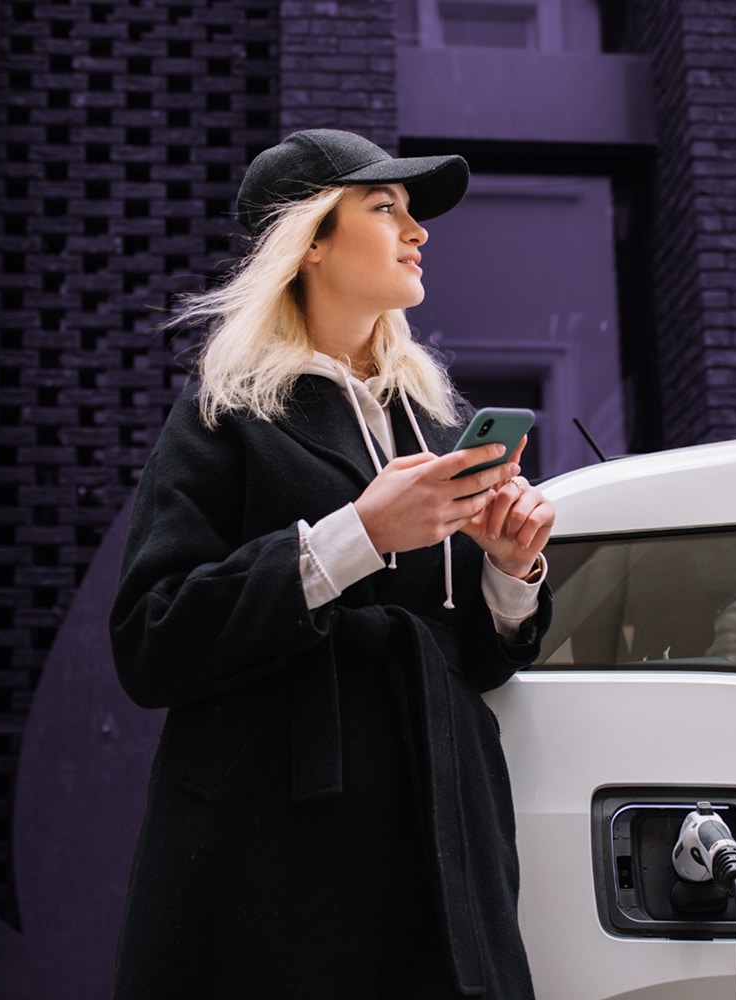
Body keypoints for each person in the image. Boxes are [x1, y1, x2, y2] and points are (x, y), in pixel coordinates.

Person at [108, 128, 555, 1000]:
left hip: (440, 831)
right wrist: (357, 535)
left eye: (413, 214)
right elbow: (150, 637)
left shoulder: (429, 425)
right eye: (386, 208)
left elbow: (475, 656)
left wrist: (509, 572)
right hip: (277, 843)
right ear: (309, 241)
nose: (417, 231)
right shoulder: (226, 411)